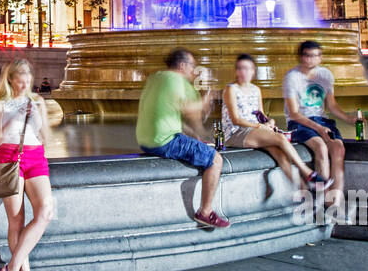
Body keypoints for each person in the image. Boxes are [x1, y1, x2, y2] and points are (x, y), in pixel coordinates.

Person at [136, 49, 229, 228]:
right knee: (215, 160)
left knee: (197, 143)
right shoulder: (175, 80)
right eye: (192, 66)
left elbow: (171, 116)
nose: (193, 71)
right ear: (182, 65)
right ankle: (205, 212)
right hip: (163, 142)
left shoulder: (156, 78)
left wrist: (195, 137)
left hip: (145, 139)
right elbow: (188, 109)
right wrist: (206, 99)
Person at [0, 58, 54, 271]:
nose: (25, 81)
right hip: (6, 159)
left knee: (45, 212)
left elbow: (45, 135)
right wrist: (16, 118)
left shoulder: (38, 101)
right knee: (16, 220)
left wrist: (45, 126)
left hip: (35, 156)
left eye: (28, 76)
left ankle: (10, 269)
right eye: (20, 76)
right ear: (11, 78)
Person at [221, 54, 328, 190]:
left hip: (255, 131)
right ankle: (308, 173)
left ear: (253, 71)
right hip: (236, 133)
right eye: (241, 68)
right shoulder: (231, 89)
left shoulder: (255, 89)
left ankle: (303, 191)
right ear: (236, 71)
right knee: (281, 138)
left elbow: (260, 114)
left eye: (248, 69)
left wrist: (269, 122)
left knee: (279, 154)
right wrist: (261, 127)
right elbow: (236, 119)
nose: (244, 72)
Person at [283, 40, 355, 218]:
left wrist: (349, 119)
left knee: (338, 149)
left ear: (320, 58)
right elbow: (293, 113)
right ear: (301, 57)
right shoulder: (292, 77)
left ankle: (335, 204)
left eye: (315, 56)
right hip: (300, 122)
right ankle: (322, 202)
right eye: (307, 55)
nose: (311, 59)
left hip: (322, 120)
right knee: (321, 148)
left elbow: (331, 105)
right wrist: (319, 129)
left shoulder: (325, 75)